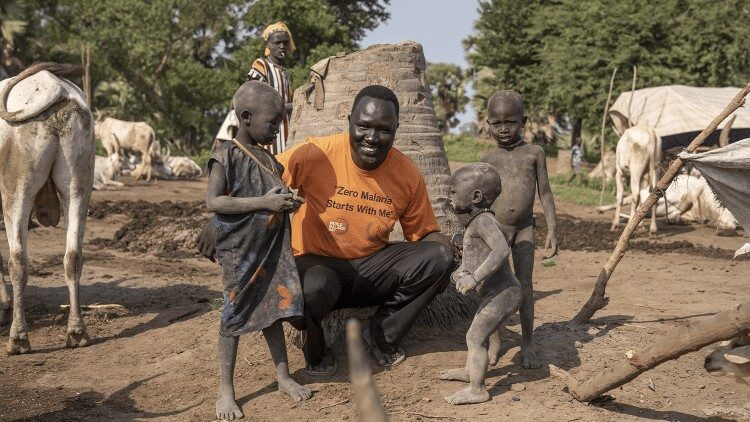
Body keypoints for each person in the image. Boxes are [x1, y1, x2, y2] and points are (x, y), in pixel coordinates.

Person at [198, 85, 453, 375]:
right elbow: (256, 178)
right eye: (363, 126)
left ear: (397, 128)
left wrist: (451, 245)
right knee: (309, 290)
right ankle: (316, 343)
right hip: (317, 267)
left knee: (441, 257)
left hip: (372, 268)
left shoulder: (407, 173)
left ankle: (383, 333)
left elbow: (422, 234)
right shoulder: (315, 153)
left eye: (383, 130)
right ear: (349, 121)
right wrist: (217, 218)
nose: (371, 138)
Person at [207, 81, 310, 421]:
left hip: (270, 249)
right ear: (247, 117)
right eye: (272, 122)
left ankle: (283, 376)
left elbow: (272, 198)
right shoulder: (225, 155)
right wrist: (264, 203)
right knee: (234, 314)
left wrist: (286, 204)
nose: (277, 128)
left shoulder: (270, 160)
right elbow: (215, 201)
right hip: (241, 251)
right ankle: (226, 390)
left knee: (273, 309)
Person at [480, 90, 558, 370]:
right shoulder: (488, 158)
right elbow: (482, 200)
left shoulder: (534, 153)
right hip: (497, 230)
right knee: (494, 286)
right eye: (497, 123)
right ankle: (494, 340)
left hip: (524, 228)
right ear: (489, 124)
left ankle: (527, 343)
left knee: (524, 284)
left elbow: (545, 194)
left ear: (523, 121)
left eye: (510, 122)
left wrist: (552, 230)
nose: (503, 129)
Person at [439, 163, 521, 405]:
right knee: (477, 336)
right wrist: (462, 272)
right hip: (495, 293)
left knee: (474, 338)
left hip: (504, 294)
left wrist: (474, 278)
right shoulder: (477, 221)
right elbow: (477, 256)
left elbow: (501, 249)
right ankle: (470, 371)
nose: (450, 196)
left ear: (475, 196)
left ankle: (477, 389)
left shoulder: (484, 221)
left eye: (453, 191)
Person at [215, 22, 295, 154]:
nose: (282, 46)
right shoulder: (261, 66)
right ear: (267, 45)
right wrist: (292, 106)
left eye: (285, 43)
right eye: (277, 42)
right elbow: (258, 104)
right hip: (266, 130)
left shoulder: (285, 72)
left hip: (284, 128)